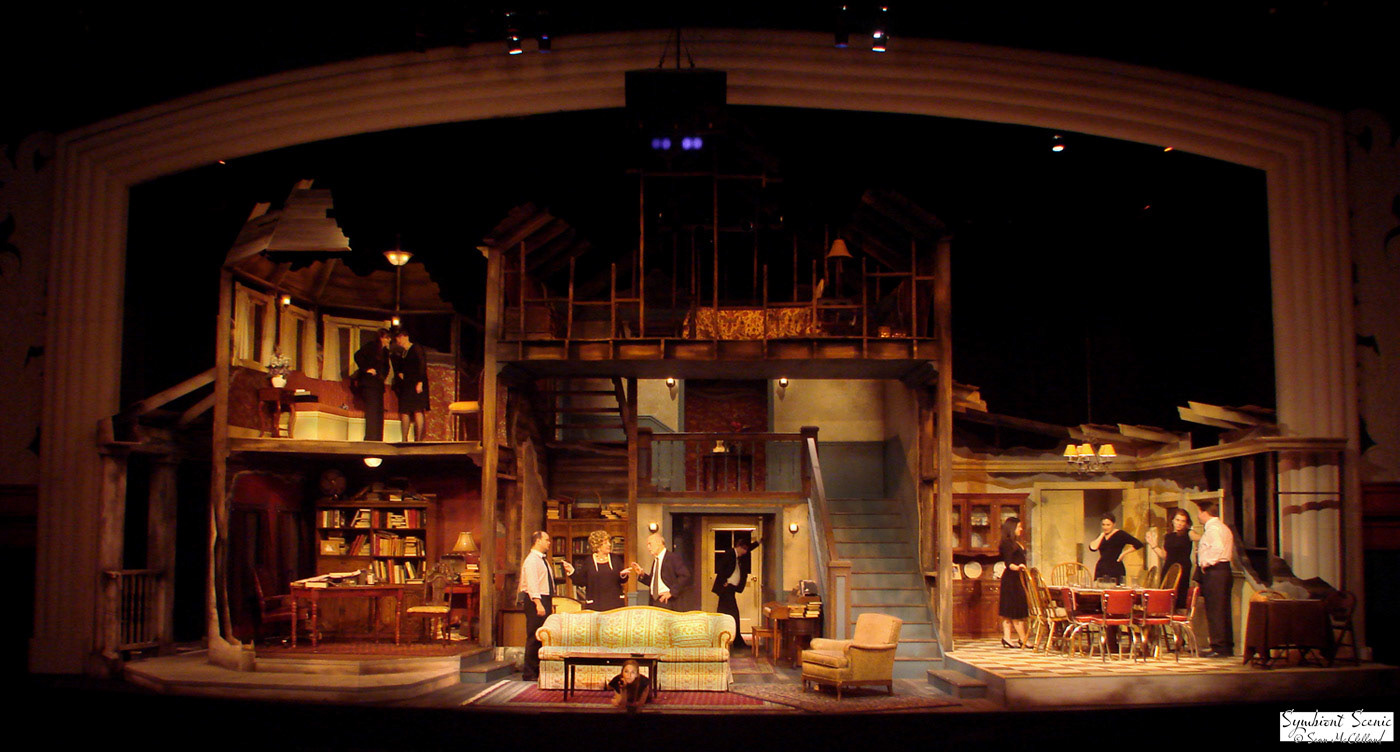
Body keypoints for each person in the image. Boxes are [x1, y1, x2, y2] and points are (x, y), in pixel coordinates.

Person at [517, 531, 574, 681]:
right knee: (534, 636)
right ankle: (529, 672)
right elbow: (532, 584)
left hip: (545, 598)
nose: (549, 543)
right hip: (536, 599)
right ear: (537, 541)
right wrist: (538, 603)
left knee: (543, 635)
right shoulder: (531, 560)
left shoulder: (543, 560)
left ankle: (539, 670)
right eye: (546, 540)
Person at [1196, 500, 1235, 658]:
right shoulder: (1221, 527)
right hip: (1222, 571)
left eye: (1199, 512)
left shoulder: (1214, 529)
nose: (1198, 515)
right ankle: (1224, 645)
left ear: (1205, 512)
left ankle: (1219, 647)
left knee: (1216, 610)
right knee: (1221, 609)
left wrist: (1206, 562)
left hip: (1216, 571)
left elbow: (1217, 548)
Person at [710, 537, 757, 649]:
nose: (745, 552)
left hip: (731, 589)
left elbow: (749, 548)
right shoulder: (730, 554)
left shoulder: (738, 556)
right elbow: (720, 567)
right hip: (726, 589)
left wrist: (758, 542)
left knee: (724, 613)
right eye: (744, 549)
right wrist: (724, 581)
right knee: (732, 614)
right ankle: (735, 641)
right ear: (739, 547)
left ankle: (730, 639)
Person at [1147, 508, 1199, 609]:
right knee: (1166, 594)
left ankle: (1178, 612)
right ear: (1173, 520)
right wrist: (1153, 545)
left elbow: (1201, 538)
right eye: (1177, 520)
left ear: (1186, 523)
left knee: (1179, 595)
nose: (1180, 523)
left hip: (1182, 568)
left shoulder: (1189, 533)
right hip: (1168, 567)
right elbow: (1164, 555)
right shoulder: (1168, 536)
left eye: (1183, 521)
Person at [631, 532, 691, 610]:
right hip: (654, 601)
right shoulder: (656, 560)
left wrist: (672, 592)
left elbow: (685, 575)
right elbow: (654, 583)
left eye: (650, 544)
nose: (648, 547)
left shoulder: (672, 558)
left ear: (659, 543)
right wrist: (642, 574)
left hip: (667, 601)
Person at [572, 529, 628, 611]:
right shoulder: (589, 561)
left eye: (609, 542)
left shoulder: (615, 559)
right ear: (597, 546)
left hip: (615, 604)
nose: (609, 544)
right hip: (595, 605)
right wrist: (571, 572)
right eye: (605, 543)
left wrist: (623, 575)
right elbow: (581, 582)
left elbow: (623, 580)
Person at [389, 326, 428, 441]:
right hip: (407, 384)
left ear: (405, 337)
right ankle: (404, 438)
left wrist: (420, 382)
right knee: (404, 410)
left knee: (417, 409)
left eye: (400, 338)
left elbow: (422, 364)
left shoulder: (416, 348)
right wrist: (400, 373)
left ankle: (418, 439)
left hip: (416, 382)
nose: (398, 341)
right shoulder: (403, 352)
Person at [352, 329, 391, 441]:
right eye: (387, 338)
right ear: (381, 338)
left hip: (378, 385)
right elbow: (357, 356)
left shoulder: (385, 352)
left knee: (378, 411)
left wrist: (382, 376)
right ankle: (370, 438)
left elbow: (386, 367)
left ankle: (378, 438)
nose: (389, 340)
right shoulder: (371, 346)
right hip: (369, 384)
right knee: (372, 411)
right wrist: (367, 369)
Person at [998, 517, 1029, 649]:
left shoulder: (1015, 542)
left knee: (1011, 610)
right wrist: (1018, 567)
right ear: (1012, 528)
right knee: (1014, 611)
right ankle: (1023, 639)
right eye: (1018, 527)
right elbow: (1009, 563)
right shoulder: (1007, 544)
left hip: (1017, 578)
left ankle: (1007, 638)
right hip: (1012, 580)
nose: (1021, 529)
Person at [1088, 514, 1143, 585]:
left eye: (1108, 525)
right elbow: (1093, 548)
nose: (1105, 527)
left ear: (1114, 524)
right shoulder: (1101, 536)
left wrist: (1124, 553)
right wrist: (1102, 535)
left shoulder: (1120, 534)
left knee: (1116, 588)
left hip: (1115, 567)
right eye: (1103, 525)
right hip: (1102, 567)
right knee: (1100, 588)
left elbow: (1138, 544)